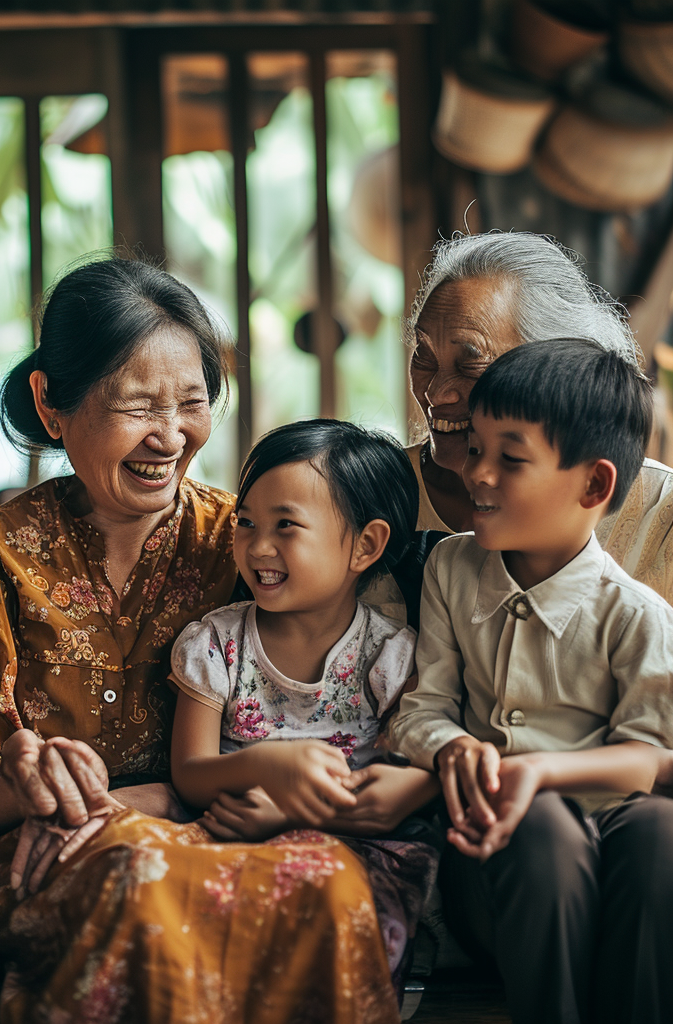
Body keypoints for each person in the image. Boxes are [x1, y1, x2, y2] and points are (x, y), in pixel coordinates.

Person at [0, 258, 411, 1024]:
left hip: (225, 828)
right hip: (54, 847)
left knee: (332, 884)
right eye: (138, 405)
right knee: (143, 878)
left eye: (192, 402)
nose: (171, 434)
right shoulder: (0, 554)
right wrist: (28, 785)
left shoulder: (245, 547)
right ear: (54, 407)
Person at [390, 338, 673, 1024]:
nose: (478, 474)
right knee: (542, 827)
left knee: (660, 831)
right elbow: (422, 709)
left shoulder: (636, 617)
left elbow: (651, 756)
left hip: (612, 859)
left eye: (509, 458)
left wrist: (539, 771)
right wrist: (451, 747)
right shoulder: (451, 570)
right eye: (477, 449)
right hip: (495, 868)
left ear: (594, 486)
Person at [168, 418, 441, 978]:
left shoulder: (389, 657)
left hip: (354, 844)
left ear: (365, 545)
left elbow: (402, 790)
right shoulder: (217, 643)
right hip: (231, 836)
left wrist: (289, 810)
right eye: (246, 522)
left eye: (286, 526)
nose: (257, 546)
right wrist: (265, 764)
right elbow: (191, 773)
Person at [399, 230, 673, 602]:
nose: (435, 392)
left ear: (557, 364)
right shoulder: (370, 496)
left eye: (471, 363)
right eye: (424, 356)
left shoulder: (662, 514)